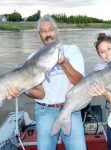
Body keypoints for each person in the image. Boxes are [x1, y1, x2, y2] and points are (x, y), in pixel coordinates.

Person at [6, 15, 87, 150]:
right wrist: (22, 89)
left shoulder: (72, 50)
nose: (48, 34)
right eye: (43, 31)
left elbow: (79, 82)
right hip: (45, 112)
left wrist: (63, 62)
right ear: (39, 35)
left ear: (57, 31)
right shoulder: (32, 58)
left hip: (71, 109)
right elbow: (40, 94)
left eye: (51, 29)